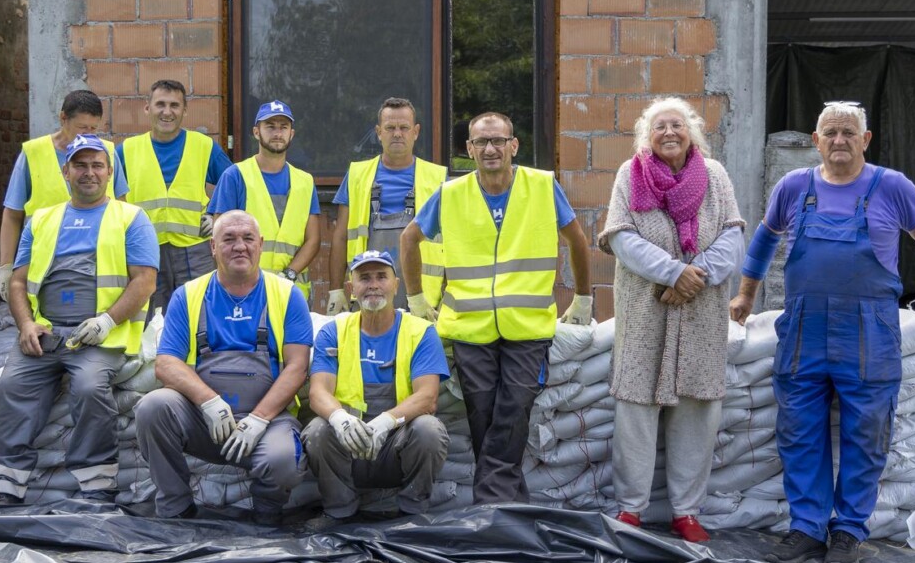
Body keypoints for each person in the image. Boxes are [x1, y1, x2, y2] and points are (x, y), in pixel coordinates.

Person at [730, 100, 915, 563]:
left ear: (866, 140)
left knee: (867, 430)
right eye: (830, 132)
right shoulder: (794, 187)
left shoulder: (891, 186)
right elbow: (763, 241)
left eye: (848, 133)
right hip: (804, 327)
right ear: (816, 141)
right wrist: (745, 297)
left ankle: (849, 530)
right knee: (799, 430)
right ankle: (807, 528)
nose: (838, 140)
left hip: (868, 329)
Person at [399, 112, 592, 504]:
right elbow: (409, 239)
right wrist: (416, 297)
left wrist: (583, 296)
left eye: (498, 141)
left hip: (528, 326)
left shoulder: (541, 186)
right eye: (480, 142)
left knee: (514, 406)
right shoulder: (452, 193)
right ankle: (507, 501)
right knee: (482, 411)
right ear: (469, 149)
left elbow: (577, 240)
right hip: (469, 326)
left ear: (513, 146)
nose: (490, 149)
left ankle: (491, 505)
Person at [597, 98, 744, 543]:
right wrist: (673, 272)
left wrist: (695, 278)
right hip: (646, 311)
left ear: (691, 131)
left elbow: (733, 234)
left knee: (697, 409)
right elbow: (621, 238)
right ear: (647, 135)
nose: (669, 133)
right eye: (659, 126)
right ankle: (631, 510)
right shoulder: (631, 174)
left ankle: (686, 512)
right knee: (637, 408)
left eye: (676, 124)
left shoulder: (715, 176)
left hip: (701, 314)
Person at [0, 134, 157, 506]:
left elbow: (145, 280)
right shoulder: (42, 220)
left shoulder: (131, 218)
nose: (89, 173)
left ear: (110, 172)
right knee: (10, 388)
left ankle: (96, 485)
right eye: (80, 164)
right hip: (45, 333)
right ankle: (6, 485)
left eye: (97, 165)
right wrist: (26, 325)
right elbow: (18, 281)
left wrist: (107, 322)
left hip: (98, 337)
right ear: (66, 171)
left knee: (90, 389)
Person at [136, 210, 310, 522]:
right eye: (228, 239)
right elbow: (166, 364)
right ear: (213, 247)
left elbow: (297, 367)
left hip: (266, 421)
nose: (239, 246)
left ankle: (267, 517)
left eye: (248, 239)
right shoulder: (188, 295)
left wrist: (258, 419)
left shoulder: (287, 295)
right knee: (152, 407)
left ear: (261, 244)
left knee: (284, 461)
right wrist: (208, 401)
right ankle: (177, 511)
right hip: (204, 421)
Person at [304, 250, 449, 522]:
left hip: (396, 440)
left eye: (382, 277)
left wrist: (387, 421)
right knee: (317, 431)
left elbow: (427, 397)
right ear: (351, 288)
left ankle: (412, 514)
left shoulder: (420, 332)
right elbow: (318, 392)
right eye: (364, 278)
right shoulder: (333, 331)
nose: (373, 284)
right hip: (348, 441)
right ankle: (339, 513)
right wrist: (340, 420)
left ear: (396, 284)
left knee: (429, 430)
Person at [0, 89, 126, 299]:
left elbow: (124, 212)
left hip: (98, 267)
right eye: (82, 128)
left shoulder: (107, 153)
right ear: (63, 118)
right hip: (45, 264)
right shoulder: (34, 153)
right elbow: (12, 215)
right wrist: (6, 267)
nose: (88, 136)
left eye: (94, 129)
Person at [118, 79, 233, 315]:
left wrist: (215, 215)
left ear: (184, 110)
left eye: (174, 105)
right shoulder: (127, 150)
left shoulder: (203, 146)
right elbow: (108, 198)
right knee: (150, 319)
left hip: (195, 250)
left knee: (199, 313)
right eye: (160, 104)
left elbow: (234, 183)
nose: (167, 112)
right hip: (145, 250)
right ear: (147, 108)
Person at [326, 98, 447, 316]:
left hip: (423, 299)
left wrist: (447, 295)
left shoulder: (439, 178)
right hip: (366, 293)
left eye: (404, 128)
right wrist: (336, 290)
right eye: (390, 128)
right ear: (378, 132)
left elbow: (451, 241)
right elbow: (340, 236)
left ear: (416, 132)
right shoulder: (356, 175)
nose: (397, 134)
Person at [208, 101, 319, 299]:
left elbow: (313, 239)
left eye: (283, 127)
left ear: (291, 134)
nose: (277, 133)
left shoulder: (305, 181)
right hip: (245, 290)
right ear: (256, 132)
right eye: (270, 126)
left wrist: (289, 274)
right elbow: (221, 237)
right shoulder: (235, 176)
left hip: (292, 292)